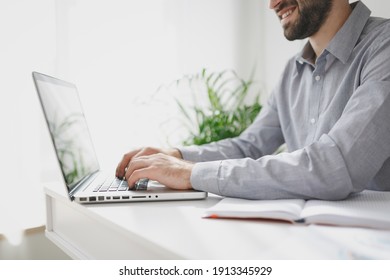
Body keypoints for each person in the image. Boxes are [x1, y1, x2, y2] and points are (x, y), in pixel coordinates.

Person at [116, 0, 390, 200]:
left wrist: (192, 174)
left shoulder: (383, 48)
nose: (272, 4)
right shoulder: (291, 74)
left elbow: (334, 166)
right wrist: (177, 156)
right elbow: (249, 146)